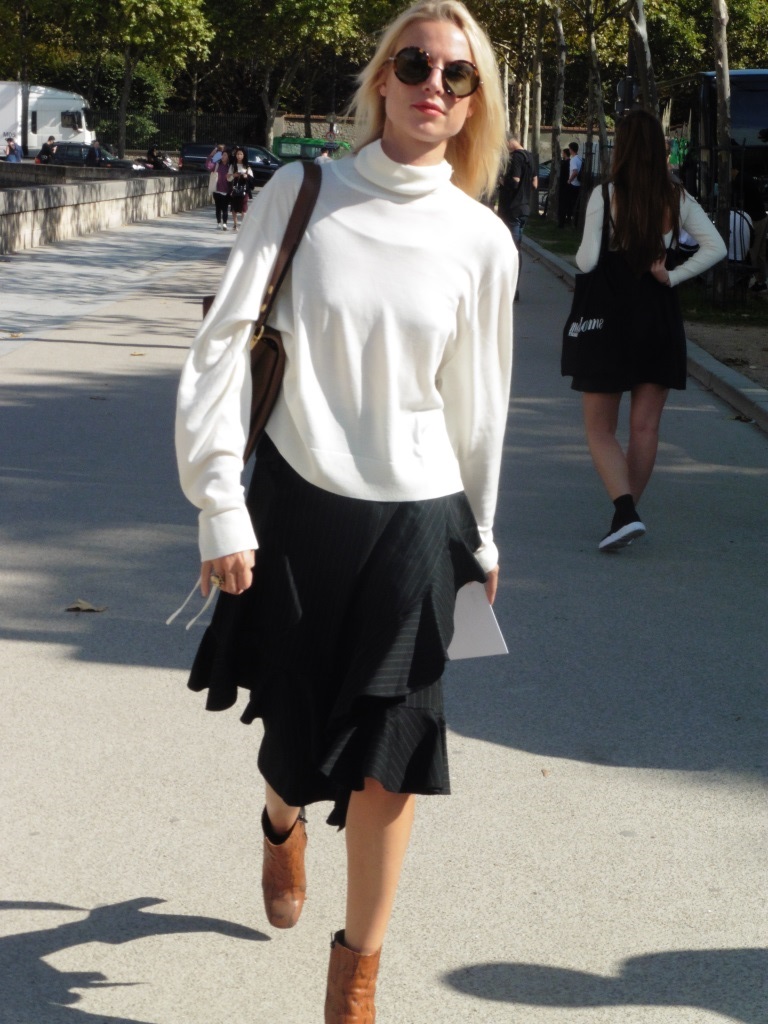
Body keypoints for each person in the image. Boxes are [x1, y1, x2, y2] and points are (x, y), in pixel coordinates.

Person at [171, 1, 515, 1019]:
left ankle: (355, 980)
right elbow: (223, 348)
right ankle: (281, 823)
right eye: (415, 63)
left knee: (389, 761)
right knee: (294, 730)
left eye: (457, 74)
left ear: (475, 103)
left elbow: (479, 404)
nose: (434, 85)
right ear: (381, 79)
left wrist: (483, 532)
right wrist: (218, 501)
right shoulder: (303, 193)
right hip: (296, 505)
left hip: (417, 522)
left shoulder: (482, 240)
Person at [566, 109, 726, 552]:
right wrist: (671, 275)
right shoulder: (676, 197)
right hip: (657, 314)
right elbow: (716, 246)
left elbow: (586, 261)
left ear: (621, 147)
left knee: (600, 427)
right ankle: (626, 516)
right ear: (659, 148)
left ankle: (625, 512)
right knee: (645, 427)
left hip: (609, 318)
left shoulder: (605, 194)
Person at [497, 134, 537, 300]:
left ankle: (511, 289)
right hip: (524, 208)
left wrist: (501, 180)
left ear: (509, 142)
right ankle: (513, 287)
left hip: (511, 208)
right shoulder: (530, 157)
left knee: (511, 250)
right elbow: (535, 183)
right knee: (516, 247)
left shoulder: (516, 158)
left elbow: (514, 181)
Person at [732, 165, 767, 292]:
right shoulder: (745, 177)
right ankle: (761, 282)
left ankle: (748, 280)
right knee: (760, 253)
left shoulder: (739, 181)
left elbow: (739, 202)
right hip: (762, 217)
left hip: (755, 219)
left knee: (752, 252)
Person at [226, 146, 253, 231]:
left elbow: (252, 179)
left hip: (244, 189)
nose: (239, 156)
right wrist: (234, 175)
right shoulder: (232, 166)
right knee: (234, 207)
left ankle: (243, 225)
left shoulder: (247, 166)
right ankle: (235, 224)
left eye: (241, 154)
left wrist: (246, 176)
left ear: (244, 155)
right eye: (238, 154)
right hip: (235, 189)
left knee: (243, 207)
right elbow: (228, 178)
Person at [210, 147, 231, 229]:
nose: (223, 157)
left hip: (226, 190)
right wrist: (211, 156)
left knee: (225, 208)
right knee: (218, 207)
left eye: (225, 155)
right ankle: (218, 222)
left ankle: (225, 223)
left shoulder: (230, 167)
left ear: (228, 157)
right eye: (222, 155)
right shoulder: (217, 165)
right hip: (217, 189)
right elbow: (209, 166)